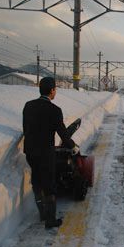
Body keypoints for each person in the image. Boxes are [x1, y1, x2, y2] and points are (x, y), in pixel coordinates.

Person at [23, 77, 78, 229]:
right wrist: (72, 146)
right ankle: (50, 220)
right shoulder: (54, 110)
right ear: (52, 90)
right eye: (55, 90)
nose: (55, 92)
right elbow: (63, 133)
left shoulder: (28, 106)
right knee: (49, 185)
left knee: (36, 180)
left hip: (30, 152)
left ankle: (42, 213)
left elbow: (25, 128)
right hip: (45, 153)